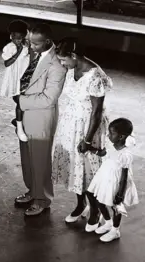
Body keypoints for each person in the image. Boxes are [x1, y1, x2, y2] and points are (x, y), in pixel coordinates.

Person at [52, 38, 112, 230]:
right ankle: (81, 204)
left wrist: (87, 140)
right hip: (71, 125)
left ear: (74, 56)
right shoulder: (72, 70)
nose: (62, 64)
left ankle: (95, 210)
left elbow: (96, 112)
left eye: (64, 60)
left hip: (88, 128)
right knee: (74, 167)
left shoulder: (95, 76)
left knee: (88, 171)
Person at [13, 23, 67, 216]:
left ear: (48, 42)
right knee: (27, 158)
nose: (31, 46)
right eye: (30, 42)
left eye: (35, 44)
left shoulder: (57, 65)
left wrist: (21, 101)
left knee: (40, 160)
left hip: (41, 116)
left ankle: (42, 198)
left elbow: (49, 99)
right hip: (26, 113)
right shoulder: (33, 54)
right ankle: (32, 190)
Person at [87, 118, 139, 242]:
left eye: (111, 133)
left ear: (121, 137)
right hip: (104, 176)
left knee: (116, 206)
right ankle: (108, 222)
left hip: (116, 181)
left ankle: (115, 230)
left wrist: (120, 193)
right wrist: (90, 149)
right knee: (98, 198)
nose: (109, 135)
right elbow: (103, 153)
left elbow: (124, 176)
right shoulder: (111, 145)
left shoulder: (125, 155)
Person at [0, 19, 30, 142]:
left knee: (22, 101)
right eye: (14, 37)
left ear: (23, 37)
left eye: (19, 37)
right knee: (19, 101)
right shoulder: (9, 47)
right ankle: (19, 126)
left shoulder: (27, 46)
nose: (16, 40)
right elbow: (7, 63)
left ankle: (19, 120)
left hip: (24, 76)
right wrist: (18, 52)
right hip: (14, 77)